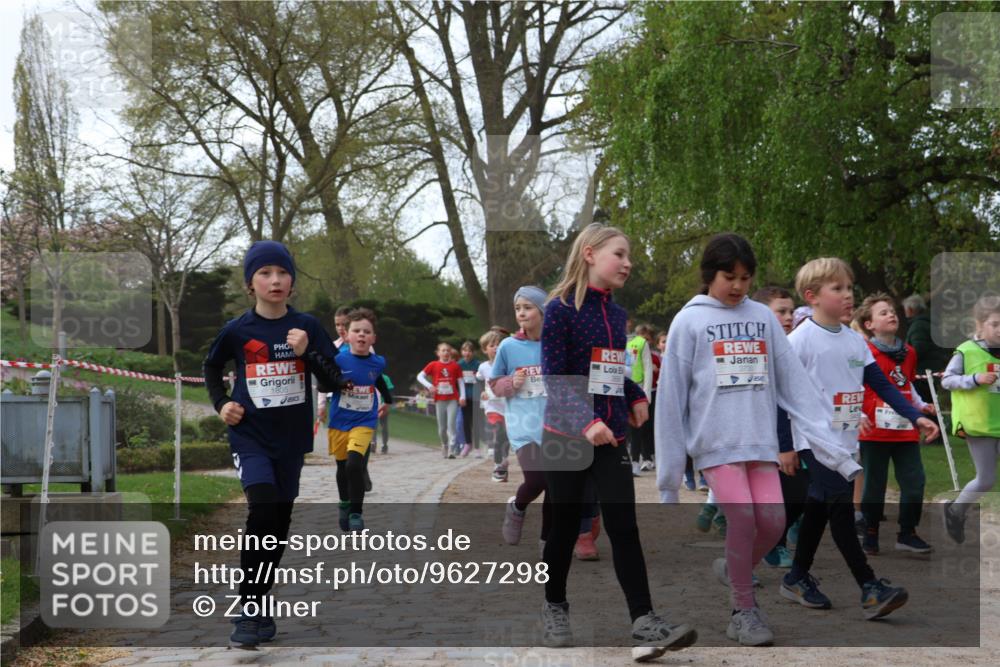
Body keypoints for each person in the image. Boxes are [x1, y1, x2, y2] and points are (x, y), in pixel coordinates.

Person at [657, 236, 863, 646]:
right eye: (729, 277)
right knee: (743, 519)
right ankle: (743, 611)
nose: (738, 285)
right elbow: (671, 396)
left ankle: (734, 568)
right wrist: (669, 475)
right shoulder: (688, 321)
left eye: (745, 277)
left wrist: (834, 450)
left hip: (759, 442)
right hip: (716, 444)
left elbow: (795, 385)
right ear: (709, 275)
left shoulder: (762, 318)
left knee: (772, 522)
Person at [540, 223, 697, 662]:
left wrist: (634, 394)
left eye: (629, 256)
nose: (628, 263)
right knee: (565, 529)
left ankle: (644, 622)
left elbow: (608, 369)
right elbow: (555, 378)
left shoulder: (616, 313)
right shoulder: (558, 311)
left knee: (624, 527)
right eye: (620, 254)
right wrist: (586, 422)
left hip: (611, 437)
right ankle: (554, 606)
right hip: (566, 436)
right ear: (590, 254)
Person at [203, 240, 349, 648]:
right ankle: (248, 607)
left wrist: (307, 353)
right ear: (250, 283)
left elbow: (333, 382)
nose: (275, 280)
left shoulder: (307, 327)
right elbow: (212, 366)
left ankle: (261, 598)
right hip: (250, 436)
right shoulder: (237, 330)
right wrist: (222, 403)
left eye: (283, 272)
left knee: (278, 523)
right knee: (263, 509)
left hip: (290, 440)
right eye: (265, 273)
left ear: (292, 282)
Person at [781, 257, 939, 621]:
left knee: (819, 508)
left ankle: (795, 576)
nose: (848, 295)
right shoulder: (798, 341)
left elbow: (882, 384)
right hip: (813, 441)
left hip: (844, 440)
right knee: (840, 508)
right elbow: (780, 396)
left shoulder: (855, 341)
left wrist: (915, 415)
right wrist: (784, 445)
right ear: (812, 296)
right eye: (837, 288)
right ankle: (869, 587)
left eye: (849, 287)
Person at [853, 294, 936, 555]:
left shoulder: (909, 352)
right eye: (883, 312)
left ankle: (907, 533)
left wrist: (921, 405)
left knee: (915, 481)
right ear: (869, 325)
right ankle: (871, 531)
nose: (891, 315)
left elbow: (906, 383)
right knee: (874, 485)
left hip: (905, 429)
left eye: (892, 311)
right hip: (874, 430)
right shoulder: (863, 352)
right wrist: (858, 414)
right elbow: (854, 385)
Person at [492, 287, 552, 550]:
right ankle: (517, 507)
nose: (521, 313)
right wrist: (510, 383)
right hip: (522, 425)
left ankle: (547, 541)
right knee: (538, 479)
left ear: (542, 311)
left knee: (555, 487)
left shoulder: (555, 343)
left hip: (553, 425)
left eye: (527, 307)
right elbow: (494, 384)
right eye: (518, 308)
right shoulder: (508, 346)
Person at [751, 286, 806, 570]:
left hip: (794, 435)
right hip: (762, 439)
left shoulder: (791, 345)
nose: (788, 317)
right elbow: (775, 403)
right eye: (781, 312)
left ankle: (771, 542)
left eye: (791, 311)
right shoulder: (758, 350)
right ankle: (766, 547)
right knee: (787, 496)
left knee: (798, 494)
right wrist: (784, 446)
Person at [326, 308, 391, 533]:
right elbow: (325, 383)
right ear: (347, 336)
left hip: (364, 420)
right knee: (342, 467)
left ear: (373, 338)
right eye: (356, 331)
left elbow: (378, 380)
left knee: (355, 464)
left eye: (366, 331)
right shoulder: (338, 360)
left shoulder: (377, 362)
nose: (361, 334)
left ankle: (356, 512)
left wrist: (388, 400)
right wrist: (336, 383)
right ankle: (344, 503)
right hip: (339, 421)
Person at [942, 295, 1000, 544]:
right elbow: (947, 380)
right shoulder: (966, 351)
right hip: (979, 426)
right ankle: (955, 511)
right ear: (980, 324)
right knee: (986, 479)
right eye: (995, 324)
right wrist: (975, 379)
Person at [417, 342, 465, 458]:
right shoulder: (433, 365)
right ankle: (444, 444)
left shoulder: (455, 366)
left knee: (451, 424)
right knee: (442, 428)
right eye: (443, 350)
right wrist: (429, 386)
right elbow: (420, 376)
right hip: (440, 399)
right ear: (438, 353)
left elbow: (460, 382)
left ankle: (452, 449)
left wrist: (462, 396)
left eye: (448, 350)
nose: (446, 352)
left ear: (450, 353)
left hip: (452, 399)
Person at [478, 328, 510, 482]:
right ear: (485, 349)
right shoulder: (483, 367)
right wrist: (482, 392)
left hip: (507, 406)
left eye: (498, 345)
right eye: (492, 345)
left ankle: (504, 460)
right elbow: (479, 380)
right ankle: (498, 465)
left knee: (505, 437)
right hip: (492, 407)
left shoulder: (508, 365)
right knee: (498, 431)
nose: (496, 348)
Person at [627, 324, 656, 475]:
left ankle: (635, 462)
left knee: (636, 428)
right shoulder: (610, 338)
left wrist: (645, 395)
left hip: (636, 388)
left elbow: (647, 368)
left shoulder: (640, 342)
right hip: (616, 389)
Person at [458, 340, 481, 457]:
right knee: (465, 422)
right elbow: (456, 381)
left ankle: (477, 447)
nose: (467, 353)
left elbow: (482, 379)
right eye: (465, 350)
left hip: (476, 396)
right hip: (464, 397)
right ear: (461, 352)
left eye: (469, 351)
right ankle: (468, 444)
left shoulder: (478, 364)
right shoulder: (459, 365)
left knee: (476, 422)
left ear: (473, 352)